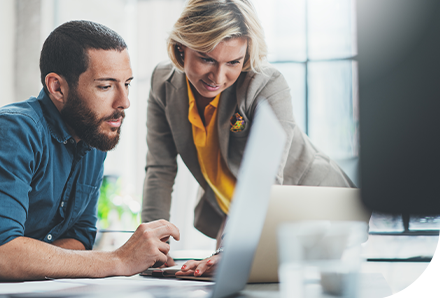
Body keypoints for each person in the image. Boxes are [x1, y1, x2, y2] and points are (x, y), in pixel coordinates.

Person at [0, 20, 179, 286]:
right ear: (57, 87)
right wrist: (118, 260)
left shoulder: (92, 136)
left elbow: (79, 238)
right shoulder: (10, 130)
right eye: (106, 86)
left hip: (17, 288)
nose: (124, 102)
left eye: (127, 84)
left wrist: (16, 261)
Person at [141, 0, 354, 277]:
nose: (218, 76)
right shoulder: (162, 82)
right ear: (181, 48)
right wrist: (153, 247)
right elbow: (160, 169)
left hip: (314, 210)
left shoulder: (266, 85)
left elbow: (263, 181)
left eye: (233, 62)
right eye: (207, 58)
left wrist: (230, 249)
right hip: (238, 216)